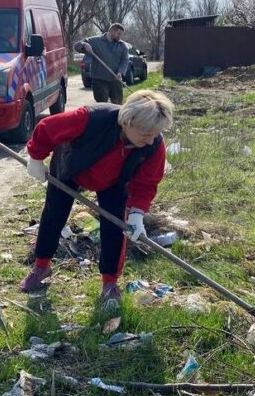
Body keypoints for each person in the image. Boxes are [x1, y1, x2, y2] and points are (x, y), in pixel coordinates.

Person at [18, 90, 174, 306]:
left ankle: (110, 283)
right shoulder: (91, 118)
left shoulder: (154, 144)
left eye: (153, 135)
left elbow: (147, 183)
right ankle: (41, 266)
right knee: (54, 215)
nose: (149, 141)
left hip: (115, 181)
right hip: (72, 166)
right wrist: (35, 157)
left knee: (115, 227)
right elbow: (47, 128)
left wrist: (137, 212)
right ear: (127, 121)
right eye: (145, 135)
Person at [75, 23, 131, 104]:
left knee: (118, 104)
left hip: (115, 80)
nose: (120, 36)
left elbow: (125, 60)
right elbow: (77, 46)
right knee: (101, 105)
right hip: (99, 80)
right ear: (112, 31)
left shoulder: (122, 45)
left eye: (121, 34)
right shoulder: (95, 41)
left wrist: (120, 72)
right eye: (118, 34)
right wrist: (84, 45)